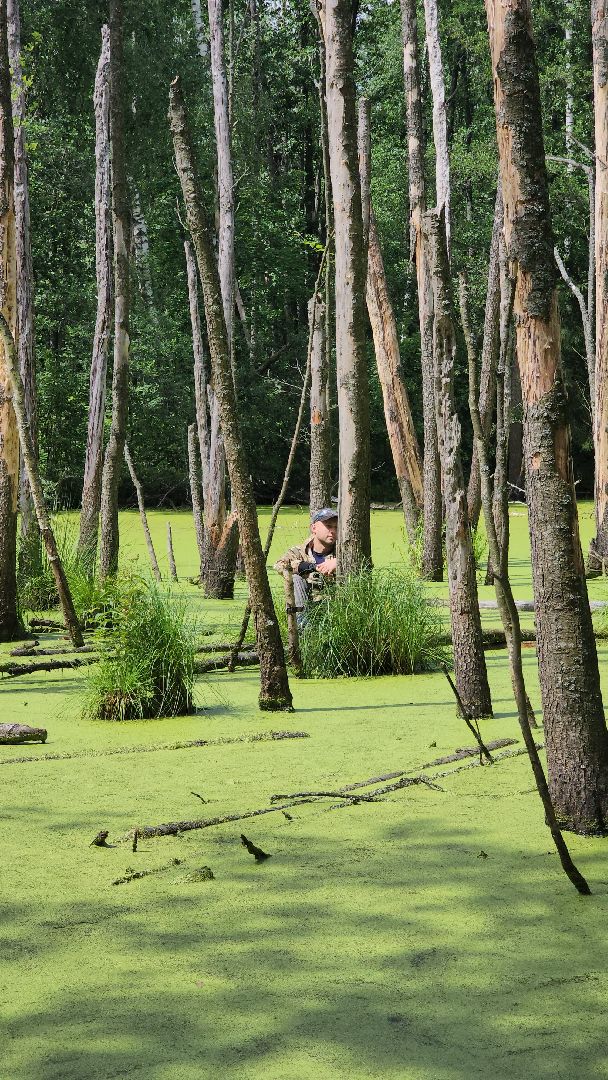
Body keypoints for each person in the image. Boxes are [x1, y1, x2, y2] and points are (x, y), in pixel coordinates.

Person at [274, 508, 338, 626]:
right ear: (314, 528)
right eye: (328, 526)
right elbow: (279, 565)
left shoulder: (343, 553)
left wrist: (338, 562)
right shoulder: (299, 552)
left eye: (336, 527)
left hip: (334, 611)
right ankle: (304, 632)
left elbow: (361, 564)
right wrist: (308, 567)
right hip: (306, 609)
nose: (333, 531)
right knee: (296, 578)